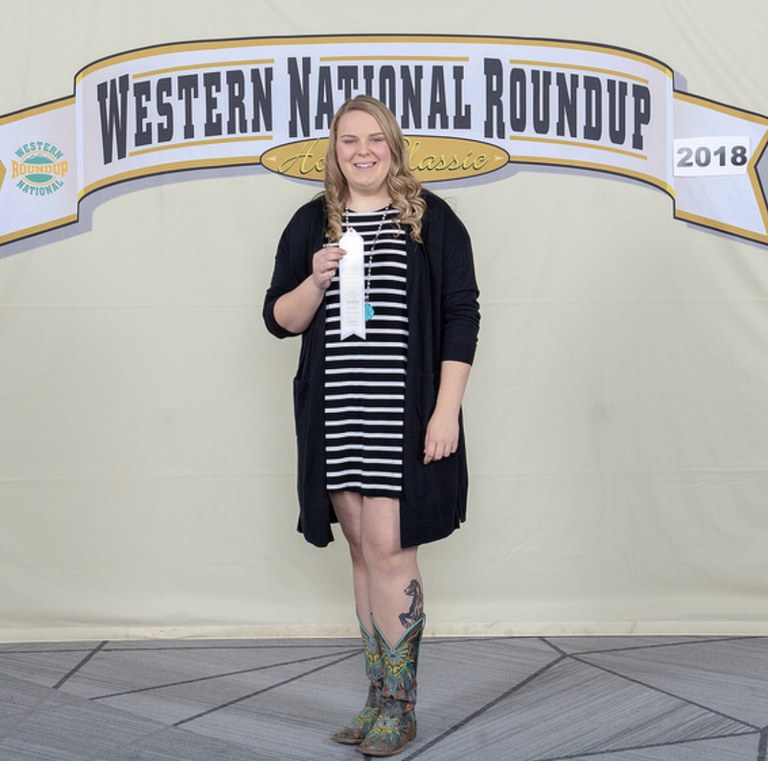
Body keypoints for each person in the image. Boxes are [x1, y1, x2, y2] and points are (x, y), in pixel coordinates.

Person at [263, 94, 480, 757]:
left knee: (391, 548)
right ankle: (377, 695)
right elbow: (280, 318)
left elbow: (461, 317)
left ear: (393, 146)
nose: (362, 151)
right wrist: (317, 278)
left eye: (374, 139)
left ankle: (403, 706)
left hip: (402, 416)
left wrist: (446, 411)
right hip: (337, 412)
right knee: (360, 548)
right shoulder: (312, 225)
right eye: (349, 141)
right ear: (334, 151)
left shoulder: (432, 220)